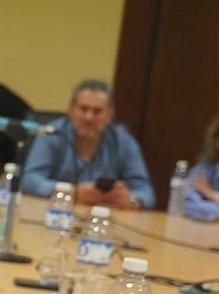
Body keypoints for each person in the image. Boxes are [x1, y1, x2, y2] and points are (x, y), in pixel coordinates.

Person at [19, 79, 155, 210]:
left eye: (97, 111)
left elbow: (146, 192)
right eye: (83, 109)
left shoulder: (123, 142)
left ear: (110, 114)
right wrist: (72, 192)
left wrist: (130, 201)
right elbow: (29, 181)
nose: (89, 118)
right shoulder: (51, 134)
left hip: (104, 218)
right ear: (70, 109)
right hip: (55, 213)